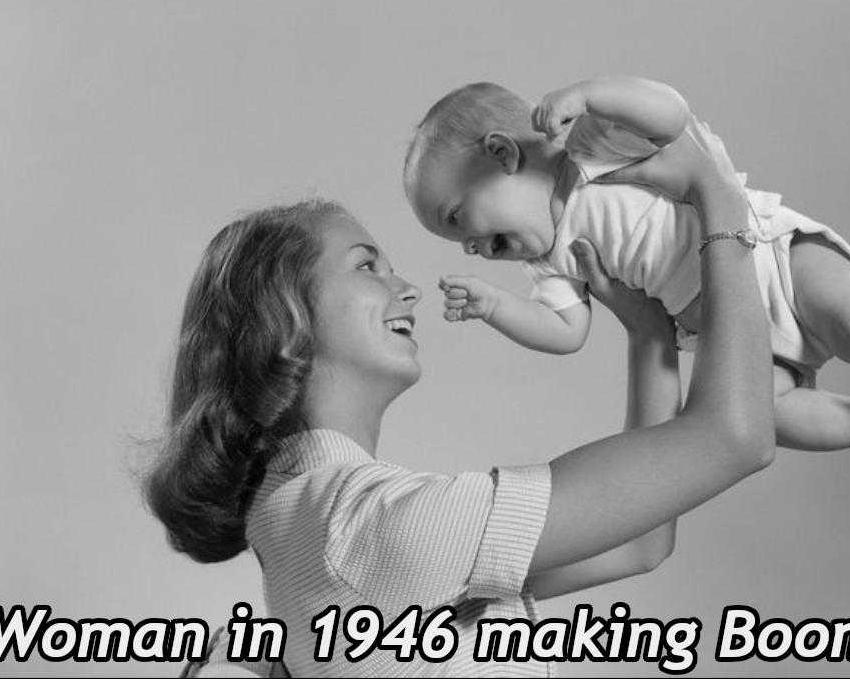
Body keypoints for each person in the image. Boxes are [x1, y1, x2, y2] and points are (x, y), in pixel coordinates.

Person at [148, 122, 776, 677]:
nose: (408, 288)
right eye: (367, 266)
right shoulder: (366, 529)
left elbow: (638, 543)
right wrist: (718, 197)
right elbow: (735, 435)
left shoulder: (304, 528)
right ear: (286, 321)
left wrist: (648, 337)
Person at [404, 77, 850, 480]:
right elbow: (565, 333)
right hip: (729, 333)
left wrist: (590, 93)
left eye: (459, 219)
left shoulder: (587, 149)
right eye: (459, 245)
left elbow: (670, 115)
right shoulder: (550, 259)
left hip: (774, 261)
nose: (472, 247)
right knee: (765, 417)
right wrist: (496, 306)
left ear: (503, 153)